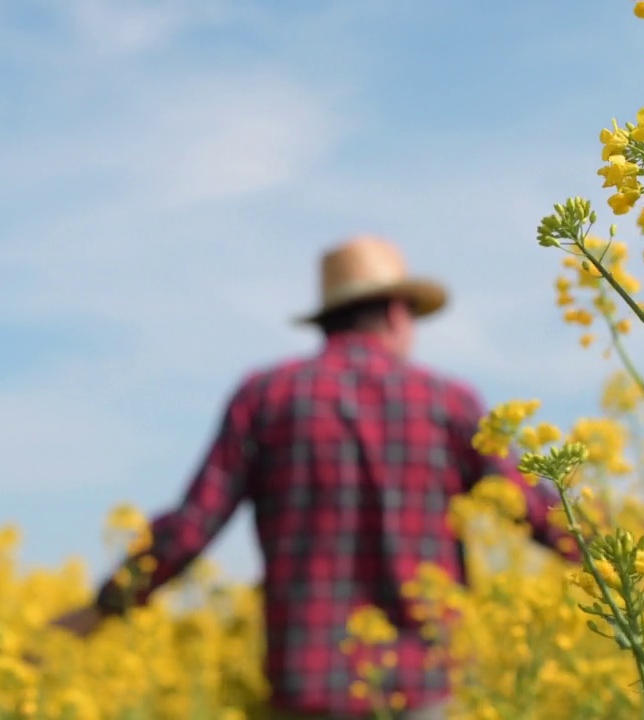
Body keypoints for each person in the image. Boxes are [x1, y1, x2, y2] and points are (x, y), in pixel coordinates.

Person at [49, 235, 578, 720]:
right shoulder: (448, 402)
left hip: (308, 684)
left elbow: (192, 525)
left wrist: (103, 608)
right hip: (422, 684)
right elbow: (535, 510)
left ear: (327, 320)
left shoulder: (266, 397)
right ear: (397, 314)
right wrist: (634, 557)